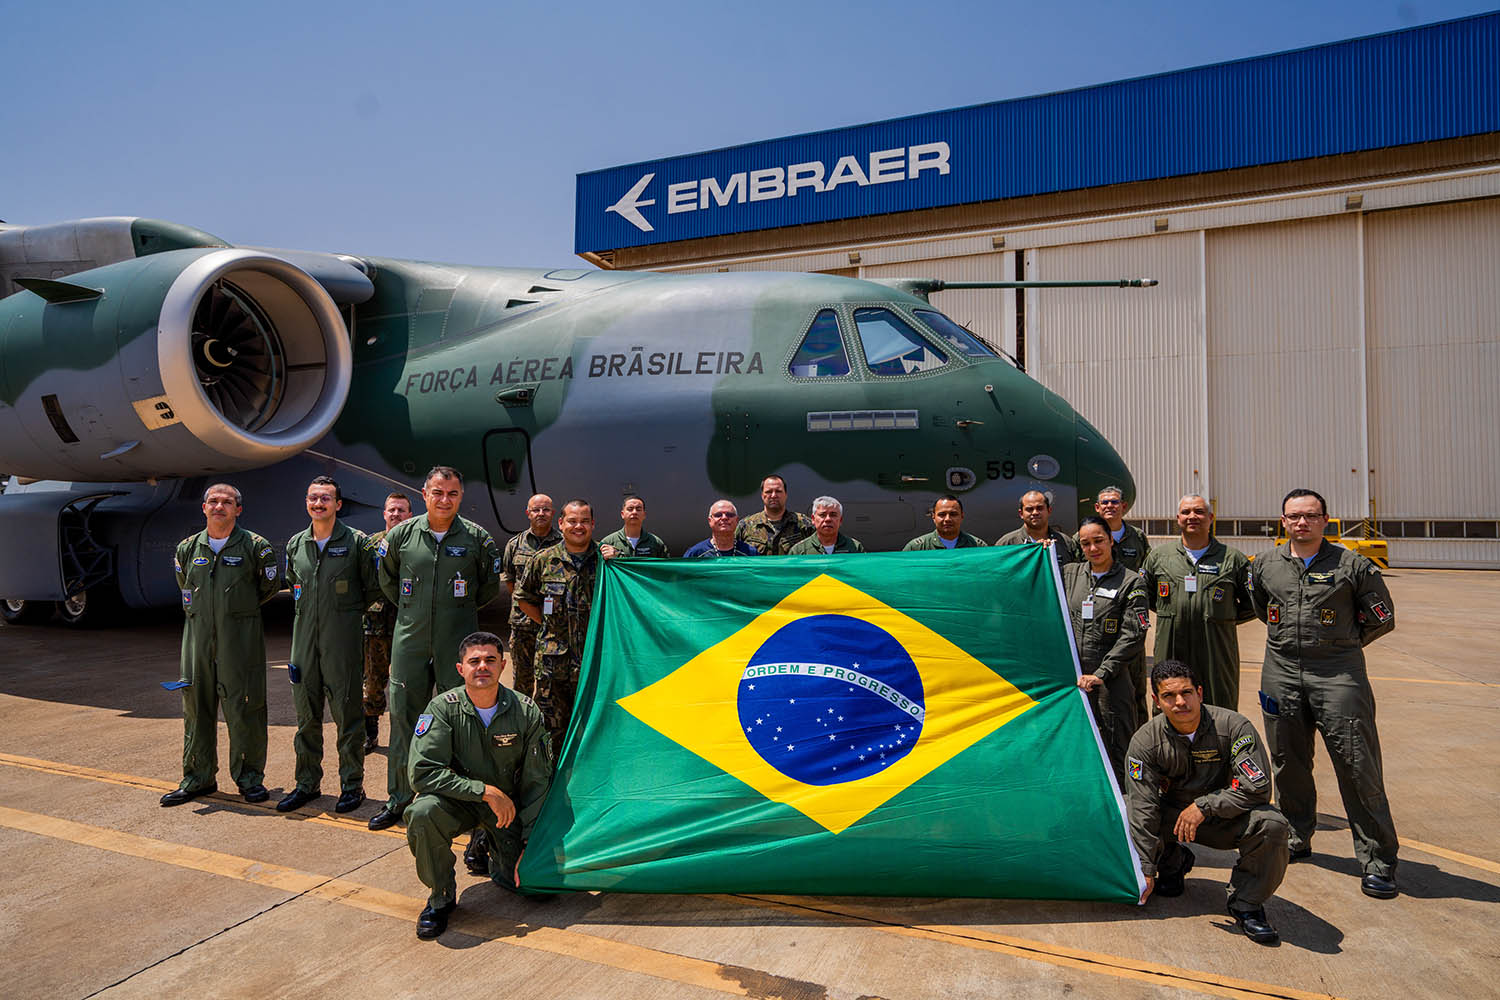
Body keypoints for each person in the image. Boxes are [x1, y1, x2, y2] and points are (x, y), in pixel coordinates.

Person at [1250, 488, 1400, 900]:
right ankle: (1297, 835)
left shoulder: (1353, 565)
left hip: (1338, 676)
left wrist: (1341, 646)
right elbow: (1264, 610)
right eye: (1294, 516)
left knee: (1357, 764)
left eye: (1311, 516)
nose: (1302, 523)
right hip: (1281, 672)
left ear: (1325, 520)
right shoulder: (1265, 565)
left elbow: (1381, 618)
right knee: (1287, 760)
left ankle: (1378, 860)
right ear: (1283, 522)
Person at [369, 466, 502, 832]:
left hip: (457, 644)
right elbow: (388, 579)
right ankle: (398, 798)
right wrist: (416, 612)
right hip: (410, 640)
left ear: (460, 497)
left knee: (459, 722)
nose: (445, 500)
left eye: (453, 494)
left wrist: (453, 613)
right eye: (438, 493)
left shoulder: (477, 539)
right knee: (404, 720)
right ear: (424, 494)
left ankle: (459, 800)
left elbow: (488, 588)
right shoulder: (401, 536)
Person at [1127, 659, 1289, 946]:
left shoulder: (1234, 726)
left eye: (1186, 692)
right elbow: (1143, 807)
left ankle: (1247, 904)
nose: (1180, 702)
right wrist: (1144, 868)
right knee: (1126, 811)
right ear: (1156, 700)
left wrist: (1205, 806)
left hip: (1226, 818)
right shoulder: (1145, 741)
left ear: (1200, 693)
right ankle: (1172, 863)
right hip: (1174, 820)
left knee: (1272, 825)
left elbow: (1257, 787)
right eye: (1168, 696)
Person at [405, 631, 553, 939]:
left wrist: (530, 843)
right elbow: (422, 772)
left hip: (507, 809)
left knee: (532, 886)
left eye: (490, 660)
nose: (482, 667)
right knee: (423, 812)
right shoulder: (442, 709)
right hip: (458, 802)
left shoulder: (526, 711)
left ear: (503, 665)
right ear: (461, 669)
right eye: (474, 661)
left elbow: (537, 782)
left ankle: (493, 850)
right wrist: (483, 791)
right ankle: (441, 897)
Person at [161, 484, 280, 807]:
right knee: (196, 710)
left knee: (245, 709)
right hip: (197, 643)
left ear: (238, 510)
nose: (219, 507)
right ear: (203, 508)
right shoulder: (188, 549)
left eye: (227, 502)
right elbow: (185, 586)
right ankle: (197, 778)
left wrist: (234, 614)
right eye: (213, 501)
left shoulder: (256, 547)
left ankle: (249, 779)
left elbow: (266, 588)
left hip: (240, 642)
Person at [278, 477, 382, 815]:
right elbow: (293, 584)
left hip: (343, 643)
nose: (318, 503)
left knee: (348, 719)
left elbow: (373, 588)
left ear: (339, 504)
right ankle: (307, 784)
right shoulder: (296, 544)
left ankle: (352, 786)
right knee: (306, 719)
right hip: (303, 643)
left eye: (326, 498)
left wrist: (345, 615)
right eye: (313, 498)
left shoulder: (356, 543)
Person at [513, 500, 614, 751]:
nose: (578, 526)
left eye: (584, 521)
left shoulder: (608, 561)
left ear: (593, 524)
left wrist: (616, 558)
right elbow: (524, 599)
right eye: (572, 520)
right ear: (561, 523)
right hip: (552, 668)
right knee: (551, 732)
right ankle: (551, 787)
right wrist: (552, 627)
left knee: (596, 731)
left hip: (596, 665)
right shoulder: (543, 560)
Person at [1139, 494, 1253, 712]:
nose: (1192, 516)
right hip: (1171, 646)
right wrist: (1175, 611)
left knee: (1219, 708)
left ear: (1211, 517)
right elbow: (1147, 595)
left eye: (1199, 512)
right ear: (1178, 518)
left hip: (1216, 651)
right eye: (1186, 512)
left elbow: (1252, 603)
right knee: (1170, 703)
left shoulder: (1233, 559)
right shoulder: (1159, 558)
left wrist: (1221, 617)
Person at [1061, 516, 1147, 780]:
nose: (1093, 548)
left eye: (1099, 541)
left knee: (1116, 746)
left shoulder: (1131, 582)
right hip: (1075, 680)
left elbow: (1133, 634)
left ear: (1111, 540)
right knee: (1077, 746)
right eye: (1086, 543)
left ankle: (1122, 808)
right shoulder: (1069, 574)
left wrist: (1102, 673)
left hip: (1111, 681)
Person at [362, 492, 413, 753]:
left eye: (401, 510)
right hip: (376, 626)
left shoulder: (416, 544)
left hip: (409, 624)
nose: (396, 514)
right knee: (372, 681)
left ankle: (410, 735)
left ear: (409, 515)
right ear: (384, 514)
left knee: (410, 683)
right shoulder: (370, 545)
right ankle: (370, 734)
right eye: (391, 510)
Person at [500, 494, 561, 699]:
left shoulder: (563, 542)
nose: (541, 514)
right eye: (536, 510)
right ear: (528, 513)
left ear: (553, 513)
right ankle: (523, 722)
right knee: (522, 681)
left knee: (551, 681)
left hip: (554, 626)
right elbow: (509, 580)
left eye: (546, 510)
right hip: (522, 625)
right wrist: (527, 606)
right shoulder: (515, 544)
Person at [1076, 485, 1151, 571]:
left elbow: (1147, 566)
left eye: (1114, 502)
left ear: (1124, 506)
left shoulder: (1138, 536)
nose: (1109, 506)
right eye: (1104, 502)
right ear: (1097, 507)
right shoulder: (1082, 537)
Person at [735, 475, 814, 555]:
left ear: (785, 495)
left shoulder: (803, 523)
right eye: (769, 492)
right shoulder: (746, 526)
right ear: (762, 495)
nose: (773, 495)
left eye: (778, 491)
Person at [995, 490, 1076, 565]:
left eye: (1040, 508)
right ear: (1021, 514)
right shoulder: (1007, 544)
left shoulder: (1065, 542)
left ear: (1049, 510)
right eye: (1029, 509)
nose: (1035, 512)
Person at [902, 495, 988, 550]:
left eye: (953, 514)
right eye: (942, 514)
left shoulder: (977, 547)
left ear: (962, 516)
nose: (947, 519)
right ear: (933, 517)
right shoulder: (917, 548)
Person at [598, 494, 670, 558]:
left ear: (644, 514)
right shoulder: (608, 542)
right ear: (622, 514)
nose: (634, 512)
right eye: (630, 509)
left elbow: (666, 569)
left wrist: (618, 555)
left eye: (638, 509)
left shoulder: (656, 543)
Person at [788, 496, 865, 554]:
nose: (828, 519)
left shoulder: (855, 548)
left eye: (833, 515)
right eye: (822, 515)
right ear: (813, 519)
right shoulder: (799, 551)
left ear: (840, 520)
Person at [685, 500, 760, 557]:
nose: (724, 518)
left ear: (737, 520)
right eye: (718, 515)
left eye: (730, 515)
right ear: (710, 521)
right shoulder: (695, 554)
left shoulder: (751, 553)